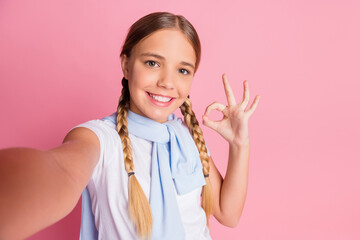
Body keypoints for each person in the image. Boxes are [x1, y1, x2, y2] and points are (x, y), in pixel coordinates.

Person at [0, 12, 260, 240]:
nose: (168, 82)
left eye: (183, 70)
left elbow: (228, 214)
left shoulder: (186, 136)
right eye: (152, 63)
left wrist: (239, 144)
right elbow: (61, 171)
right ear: (126, 65)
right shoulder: (99, 138)